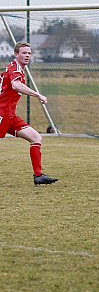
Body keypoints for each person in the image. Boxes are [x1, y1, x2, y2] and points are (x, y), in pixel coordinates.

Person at [0, 42, 58, 185]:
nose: (27, 56)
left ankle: (38, 176)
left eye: (29, 53)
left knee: (36, 137)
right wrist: (38, 95)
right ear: (16, 54)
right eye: (24, 53)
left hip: (10, 115)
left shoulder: (17, 68)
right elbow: (16, 85)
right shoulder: (15, 67)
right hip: (2, 113)